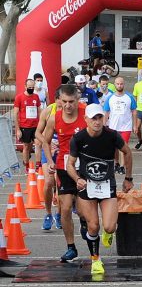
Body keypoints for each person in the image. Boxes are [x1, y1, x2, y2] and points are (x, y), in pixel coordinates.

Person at [67, 104, 133, 276]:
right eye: (93, 118)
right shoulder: (78, 138)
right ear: (86, 120)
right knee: (93, 225)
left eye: (100, 118)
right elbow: (70, 165)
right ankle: (95, 259)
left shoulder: (112, 135)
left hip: (107, 185)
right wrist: (77, 179)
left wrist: (128, 178)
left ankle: (107, 234)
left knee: (110, 227)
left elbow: (127, 152)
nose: (97, 122)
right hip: (87, 185)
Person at [42, 84, 87, 262]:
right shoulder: (54, 118)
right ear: (60, 100)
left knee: (83, 211)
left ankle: (84, 222)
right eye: (65, 102)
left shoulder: (86, 114)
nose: (68, 105)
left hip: (83, 167)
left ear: (77, 100)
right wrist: (50, 160)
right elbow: (45, 140)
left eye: (72, 102)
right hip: (63, 167)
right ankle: (71, 247)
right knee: (66, 208)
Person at [35, 87, 63, 231]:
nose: (63, 105)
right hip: (49, 151)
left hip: (64, 152)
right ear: (55, 99)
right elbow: (38, 133)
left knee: (61, 184)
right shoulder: (47, 111)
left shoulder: (72, 111)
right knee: (49, 182)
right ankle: (48, 214)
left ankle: (59, 214)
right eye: (60, 102)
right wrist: (46, 142)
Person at [104, 77, 137, 175]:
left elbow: (134, 111)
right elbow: (106, 112)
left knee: (124, 147)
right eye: (117, 84)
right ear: (114, 84)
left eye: (121, 84)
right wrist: (104, 124)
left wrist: (135, 125)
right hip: (113, 126)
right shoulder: (110, 98)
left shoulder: (129, 97)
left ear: (124, 84)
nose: (119, 86)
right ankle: (116, 163)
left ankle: (122, 166)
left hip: (126, 126)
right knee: (114, 147)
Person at [14, 79, 41, 172]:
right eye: (29, 87)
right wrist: (17, 129)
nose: (31, 89)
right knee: (26, 146)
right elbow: (16, 114)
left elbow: (39, 110)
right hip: (25, 126)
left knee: (38, 143)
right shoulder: (19, 97)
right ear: (25, 86)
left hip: (36, 126)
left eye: (32, 87)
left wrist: (42, 124)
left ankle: (38, 165)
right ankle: (27, 166)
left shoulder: (36, 97)